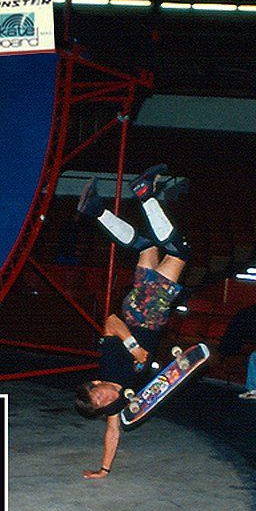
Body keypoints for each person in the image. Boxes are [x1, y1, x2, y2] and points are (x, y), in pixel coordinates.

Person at [74, 166, 191, 479]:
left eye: (100, 396)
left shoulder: (109, 365)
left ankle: (145, 193)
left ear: (96, 384)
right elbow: (113, 433)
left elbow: (111, 321)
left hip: (146, 313)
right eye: (102, 405)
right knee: (146, 246)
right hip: (144, 310)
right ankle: (96, 209)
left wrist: (134, 348)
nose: (107, 400)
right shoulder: (116, 406)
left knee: (179, 252)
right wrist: (103, 469)